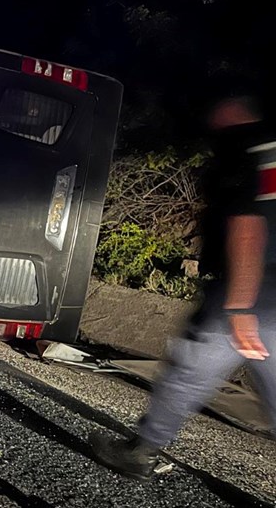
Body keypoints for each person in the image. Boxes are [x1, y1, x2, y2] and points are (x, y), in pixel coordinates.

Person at [90, 91, 276, 480]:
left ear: (231, 109)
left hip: (248, 291)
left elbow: (247, 225)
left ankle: (141, 452)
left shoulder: (242, 150)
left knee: (190, 368)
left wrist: (240, 305)